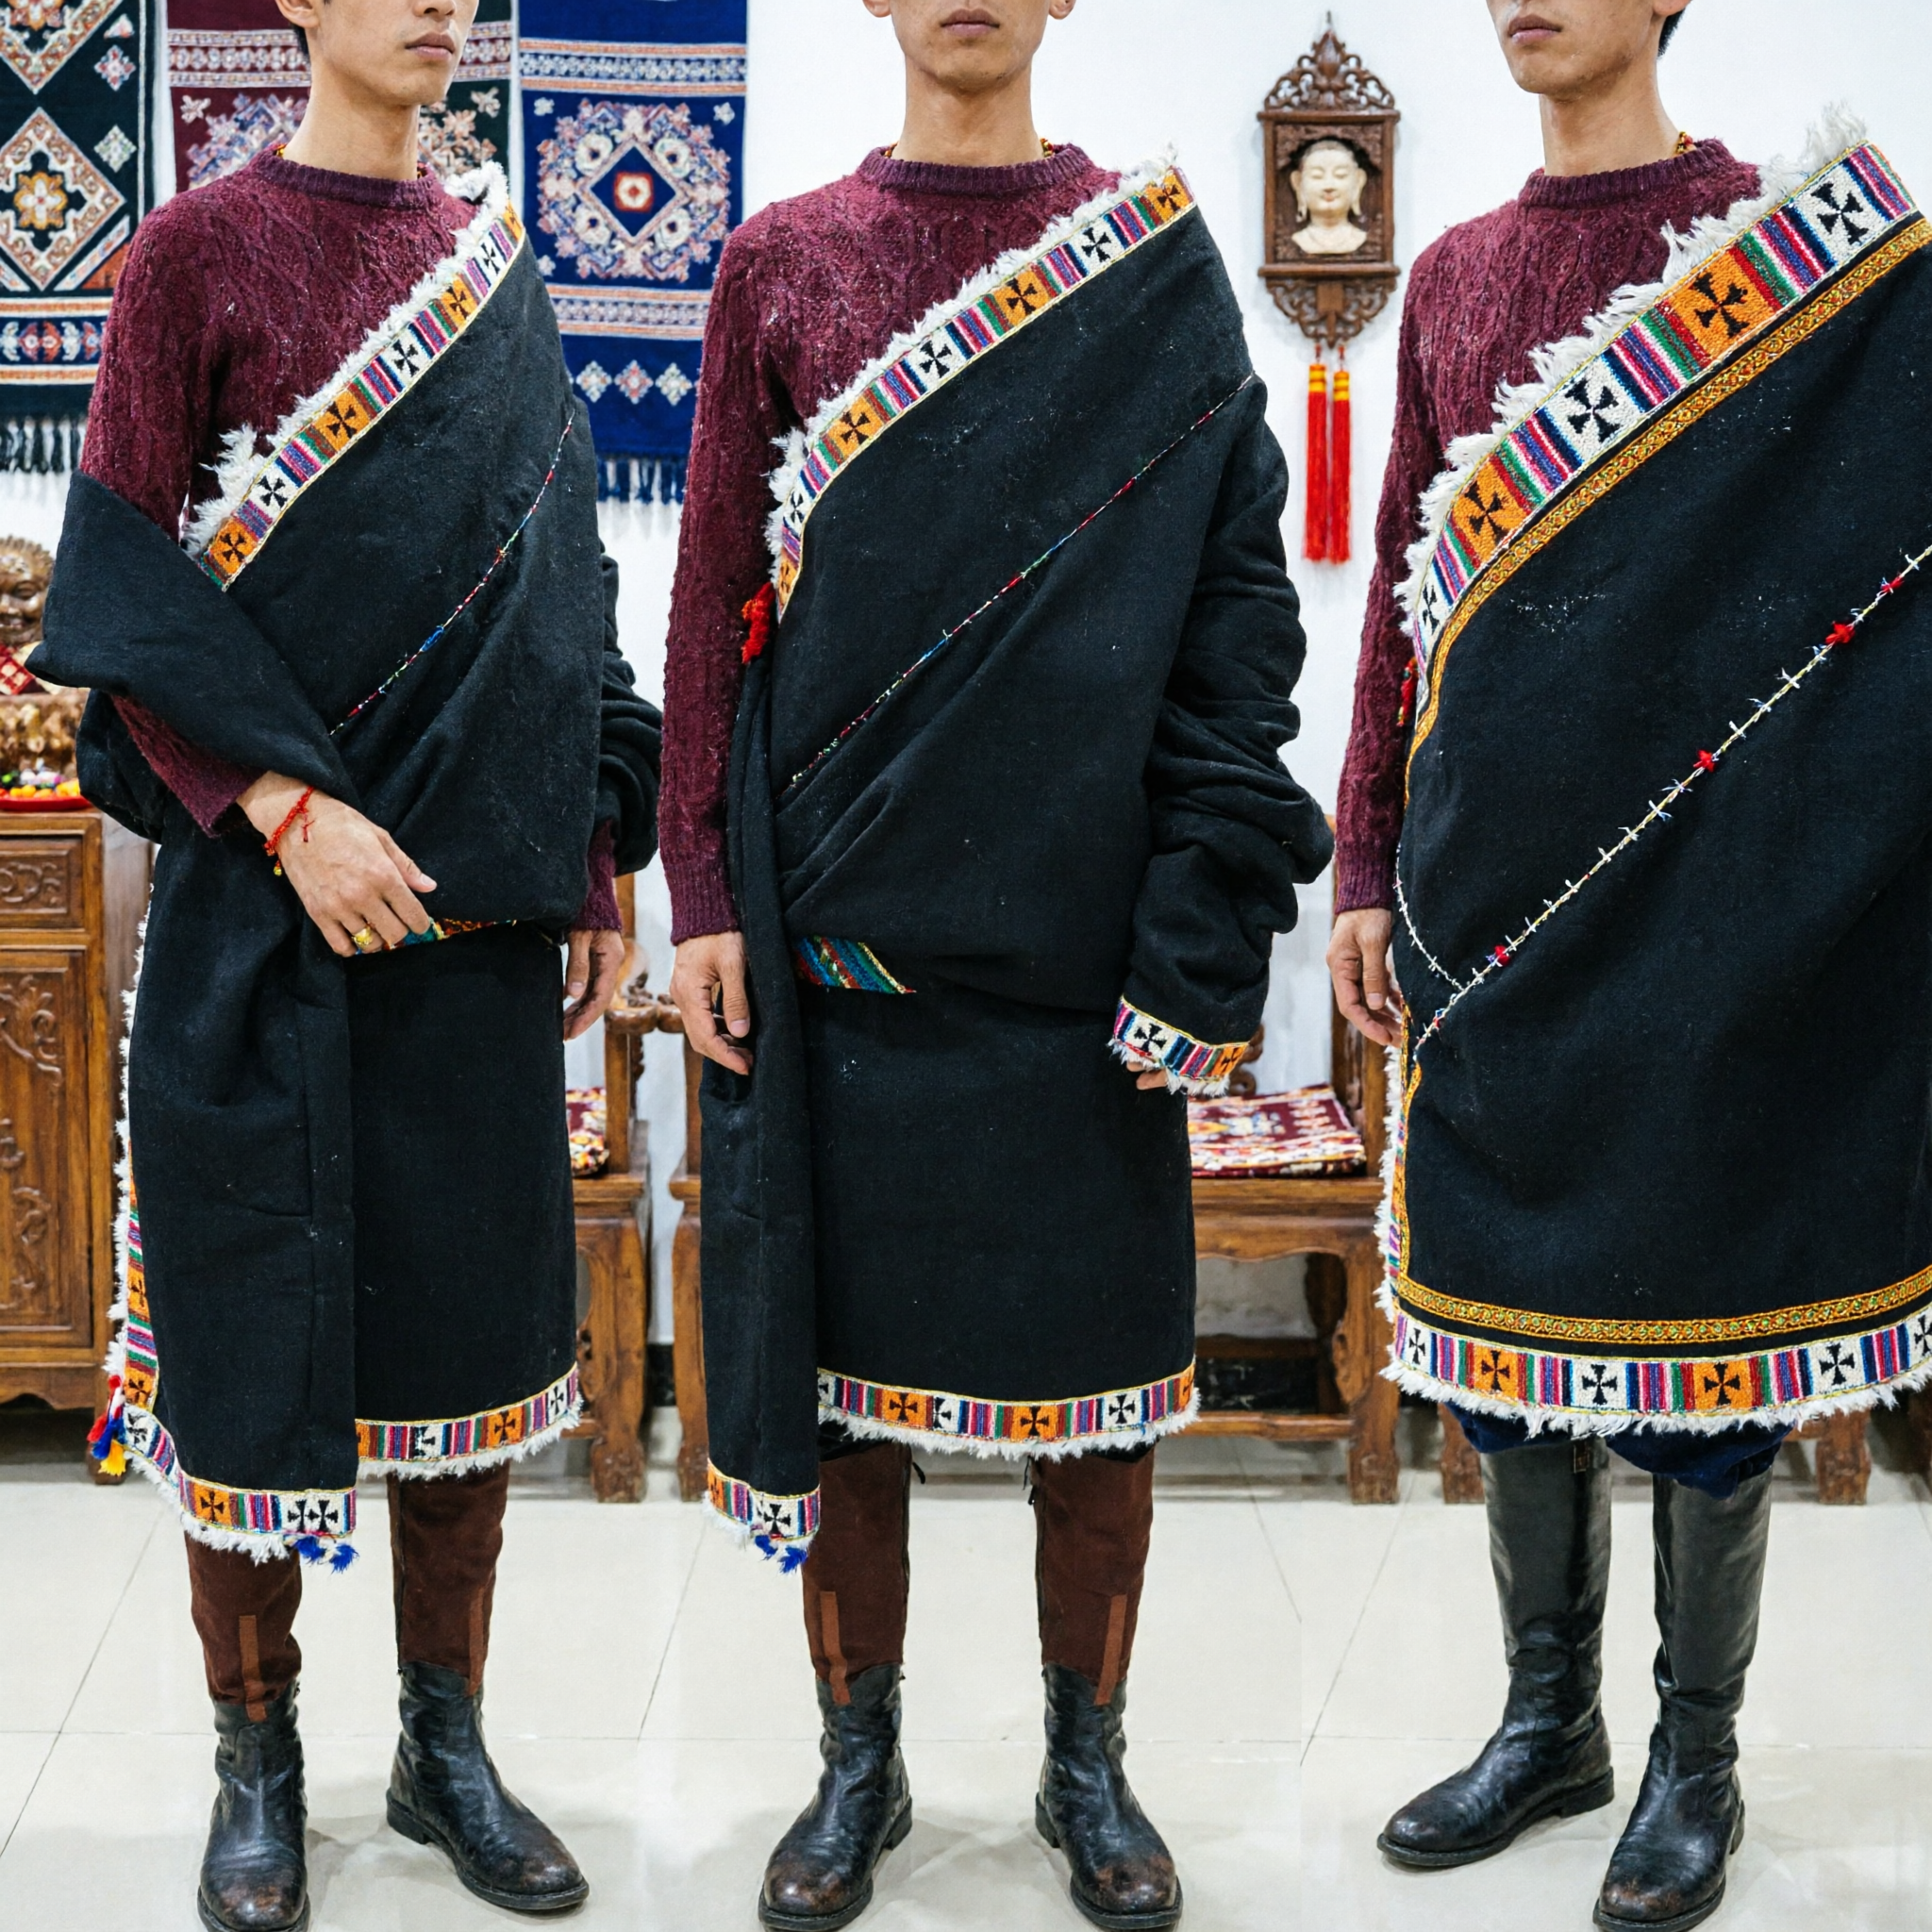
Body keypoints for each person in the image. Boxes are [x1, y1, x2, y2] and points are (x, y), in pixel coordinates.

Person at [662, 2, 1330, 1924]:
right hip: (838, 953)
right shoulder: (784, 256)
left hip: (1081, 969)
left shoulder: (1153, 259)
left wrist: (1198, 945)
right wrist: (702, 897)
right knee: (847, 1401)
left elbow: (1232, 627)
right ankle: (852, 1762)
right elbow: (716, 590)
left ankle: (1086, 1767)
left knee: (1099, 1403)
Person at [31, 0, 660, 1925]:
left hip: (471, 946)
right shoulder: (194, 254)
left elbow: (567, 589)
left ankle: (444, 1746)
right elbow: (126, 598)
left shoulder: (500, 266)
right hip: (257, 932)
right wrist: (295, 818)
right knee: (248, 1357)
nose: (433, 5)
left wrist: (600, 838)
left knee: (466, 1356)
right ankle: (257, 1761)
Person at [1330, 2, 1932, 1928]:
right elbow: (1399, 612)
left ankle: (1694, 1756)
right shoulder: (1452, 278)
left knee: (1706, 1349)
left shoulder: (1792, 247)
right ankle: (1545, 1728)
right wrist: (1361, 853)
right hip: (1494, 902)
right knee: (1503, 1353)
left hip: (1726, 910)